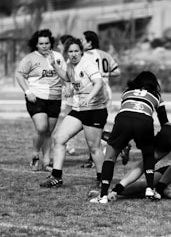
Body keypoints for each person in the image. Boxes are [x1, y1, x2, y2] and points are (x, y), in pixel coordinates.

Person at [89, 71, 169, 203]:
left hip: (124, 119)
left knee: (110, 157)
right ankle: (149, 189)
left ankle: (103, 195)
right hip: (144, 120)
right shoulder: (157, 96)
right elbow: (164, 122)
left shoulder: (127, 92)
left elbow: (128, 110)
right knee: (148, 154)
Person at [39, 37, 108, 188]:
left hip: (94, 110)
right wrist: (54, 65)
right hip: (78, 109)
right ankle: (56, 177)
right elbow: (67, 77)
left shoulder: (87, 64)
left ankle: (102, 179)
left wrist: (89, 98)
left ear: (81, 52)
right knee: (59, 138)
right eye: (70, 51)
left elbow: (98, 83)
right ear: (67, 53)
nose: (74, 54)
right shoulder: (70, 65)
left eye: (76, 51)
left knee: (94, 147)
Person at [15, 29, 66, 172]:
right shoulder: (30, 58)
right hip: (36, 97)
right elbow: (19, 75)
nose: (44, 46)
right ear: (36, 45)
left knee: (49, 131)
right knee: (41, 128)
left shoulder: (58, 57)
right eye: (41, 43)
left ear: (51, 43)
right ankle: (35, 155)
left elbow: (65, 74)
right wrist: (27, 91)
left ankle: (46, 162)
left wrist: (67, 86)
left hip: (55, 98)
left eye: (47, 43)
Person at [80, 30, 121, 168]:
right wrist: (104, 73)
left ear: (89, 42)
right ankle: (95, 156)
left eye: (82, 40)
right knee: (97, 123)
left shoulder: (84, 55)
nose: (80, 43)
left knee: (90, 124)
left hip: (94, 89)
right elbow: (117, 71)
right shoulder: (105, 54)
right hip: (106, 89)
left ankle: (95, 157)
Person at [56, 34, 76, 155]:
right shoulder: (67, 60)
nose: (58, 46)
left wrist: (68, 86)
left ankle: (68, 144)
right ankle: (69, 145)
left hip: (76, 99)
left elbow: (73, 79)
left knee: (68, 122)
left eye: (60, 43)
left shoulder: (71, 61)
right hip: (72, 99)